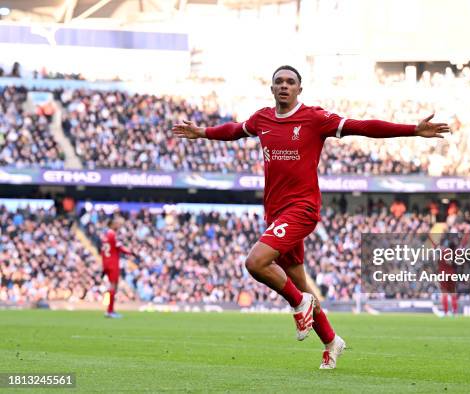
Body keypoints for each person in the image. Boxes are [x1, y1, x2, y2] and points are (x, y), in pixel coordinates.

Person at [172, 65, 450, 369]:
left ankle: (300, 303)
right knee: (297, 281)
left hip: (302, 209)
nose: (284, 86)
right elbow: (235, 131)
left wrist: (412, 129)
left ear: (299, 89)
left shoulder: (314, 118)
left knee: (255, 263)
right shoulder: (262, 118)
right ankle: (332, 341)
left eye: (290, 82)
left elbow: (362, 126)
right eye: (279, 82)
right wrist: (202, 132)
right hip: (275, 215)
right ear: (272, 88)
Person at [100, 217, 136, 318]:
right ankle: (110, 311)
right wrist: (131, 252)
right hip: (113, 263)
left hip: (107, 263)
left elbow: (104, 251)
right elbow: (120, 247)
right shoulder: (112, 234)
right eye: (116, 223)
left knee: (112, 286)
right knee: (113, 286)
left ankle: (110, 310)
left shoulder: (105, 235)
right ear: (112, 224)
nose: (118, 225)